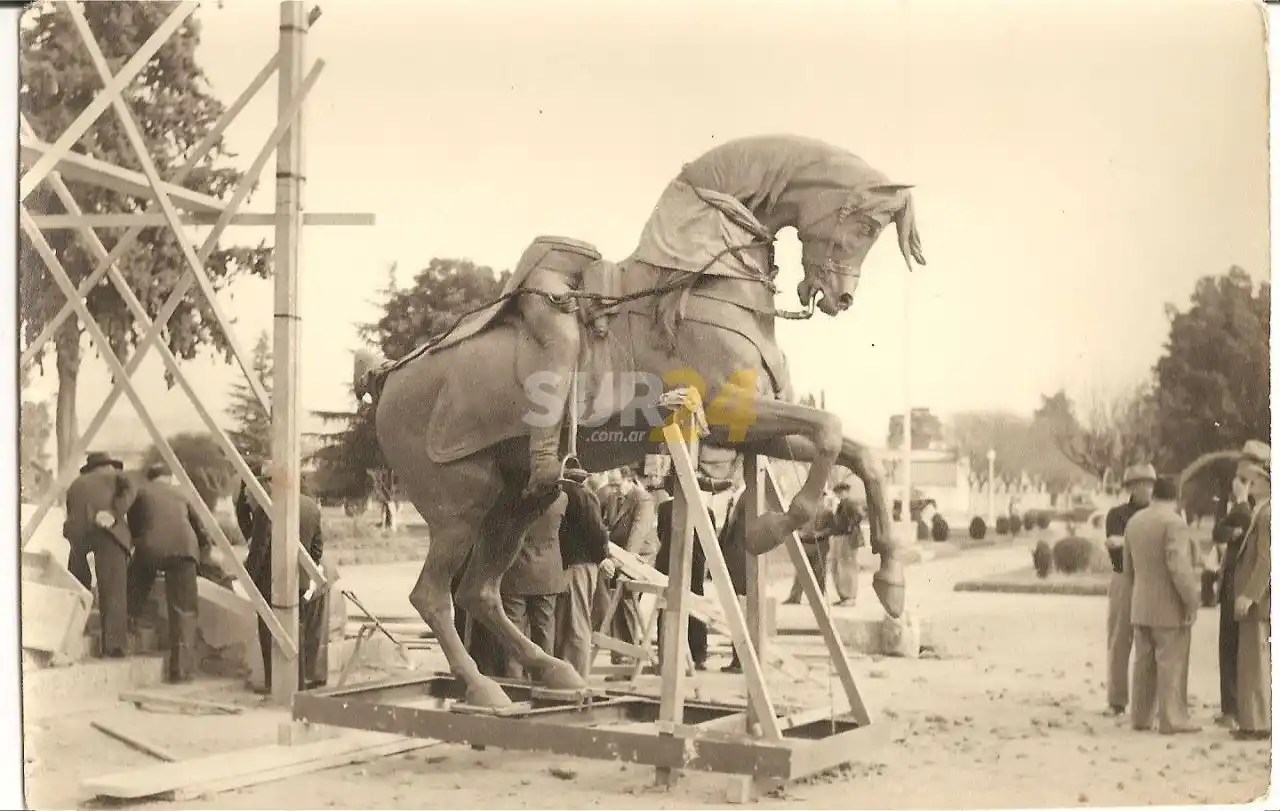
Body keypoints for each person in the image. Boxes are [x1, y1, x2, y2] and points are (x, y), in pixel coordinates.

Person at [237, 466, 329, 693]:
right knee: (299, 631)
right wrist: (304, 573)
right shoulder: (310, 506)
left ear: (271, 482)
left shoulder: (269, 507)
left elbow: (259, 548)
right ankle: (299, 683)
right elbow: (317, 550)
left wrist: (248, 579)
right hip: (301, 581)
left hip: (272, 583)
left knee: (270, 634)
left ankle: (275, 684)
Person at [1123, 476, 1201, 734]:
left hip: (1141, 602)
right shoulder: (1174, 523)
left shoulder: (1134, 522)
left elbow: (1129, 569)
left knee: (1143, 662)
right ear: (1176, 496)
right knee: (1170, 662)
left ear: (1154, 494)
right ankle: (1172, 718)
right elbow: (1178, 566)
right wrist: (1192, 600)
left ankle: (1141, 717)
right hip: (1168, 605)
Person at [125, 463, 212, 682]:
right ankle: (180, 671)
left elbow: (135, 528)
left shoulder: (141, 491)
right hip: (184, 551)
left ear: (151, 478)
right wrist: (200, 558)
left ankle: (125, 639)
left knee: (132, 589)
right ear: (169, 478)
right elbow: (202, 532)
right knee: (184, 611)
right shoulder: (182, 494)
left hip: (150, 549)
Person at [63, 451, 138, 658]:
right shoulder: (118, 477)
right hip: (110, 533)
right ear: (108, 465)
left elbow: (70, 514)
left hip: (80, 535)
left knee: (78, 582)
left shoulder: (76, 484)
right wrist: (114, 512)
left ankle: (76, 629)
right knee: (113, 588)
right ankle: (114, 646)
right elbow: (131, 490)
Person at [655, 471, 732, 671]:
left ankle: (667, 652)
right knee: (696, 607)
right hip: (695, 563)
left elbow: (660, 533)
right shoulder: (707, 511)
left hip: (668, 563)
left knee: (666, 605)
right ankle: (698, 654)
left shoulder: (664, 508)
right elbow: (710, 540)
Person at [1102, 462, 1156, 716]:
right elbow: (1112, 543)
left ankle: (1147, 701)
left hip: (1150, 579)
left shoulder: (1159, 513)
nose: (1146, 487)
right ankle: (1117, 699)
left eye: (1149, 483)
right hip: (1124, 577)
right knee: (1119, 639)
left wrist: (1128, 541)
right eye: (1141, 483)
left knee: (1151, 642)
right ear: (1131, 487)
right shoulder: (1117, 514)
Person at [501, 491, 569, 680]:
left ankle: (514, 683)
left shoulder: (514, 497)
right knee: (545, 633)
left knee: (513, 634)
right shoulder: (561, 499)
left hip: (516, 571)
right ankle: (544, 681)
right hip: (547, 573)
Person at [1230, 440, 1271, 742]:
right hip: (1258, 600)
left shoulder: (1268, 514)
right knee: (1253, 661)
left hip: (1258, 602)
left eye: (1251, 479)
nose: (1247, 484)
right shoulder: (1264, 511)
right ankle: (1255, 720)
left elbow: (1266, 561)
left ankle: (1256, 723)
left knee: (1254, 663)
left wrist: (1250, 594)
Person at [554, 481, 611, 677]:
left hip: (575, 565)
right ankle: (573, 673)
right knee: (574, 621)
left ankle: (576, 674)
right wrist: (602, 556)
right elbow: (597, 531)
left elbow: (596, 532)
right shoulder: (583, 494)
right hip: (580, 564)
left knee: (574, 622)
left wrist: (601, 557)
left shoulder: (567, 493)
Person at [1212, 472, 1254, 727]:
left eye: (1240, 478)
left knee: (1230, 647)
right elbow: (1220, 532)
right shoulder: (1243, 511)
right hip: (1233, 585)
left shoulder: (1245, 511)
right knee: (1231, 646)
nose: (1234, 482)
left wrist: (1239, 501)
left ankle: (1232, 709)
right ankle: (1232, 708)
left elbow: (1218, 532)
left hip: (1235, 587)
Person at [783, 491, 837, 605]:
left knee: (819, 572)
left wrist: (820, 534)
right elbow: (795, 525)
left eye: (820, 498)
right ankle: (795, 597)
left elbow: (832, 529)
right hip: (804, 543)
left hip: (820, 544)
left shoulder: (828, 513)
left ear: (823, 499)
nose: (818, 500)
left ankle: (819, 598)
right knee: (800, 571)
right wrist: (798, 532)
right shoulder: (804, 512)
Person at [718, 485, 750, 673]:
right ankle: (738, 659)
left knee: (741, 615)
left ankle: (742, 660)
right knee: (734, 614)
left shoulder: (750, 495)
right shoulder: (736, 498)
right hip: (733, 564)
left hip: (743, 565)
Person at [828, 481, 864, 606]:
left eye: (840, 492)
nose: (839, 495)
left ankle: (849, 596)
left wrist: (850, 527)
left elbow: (859, 515)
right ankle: (845, 596)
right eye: (838, 493)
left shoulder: (849, 503)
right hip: (843, 537)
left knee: (847, 567)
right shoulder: (843, 504)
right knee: (842, 567)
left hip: (847, 538)